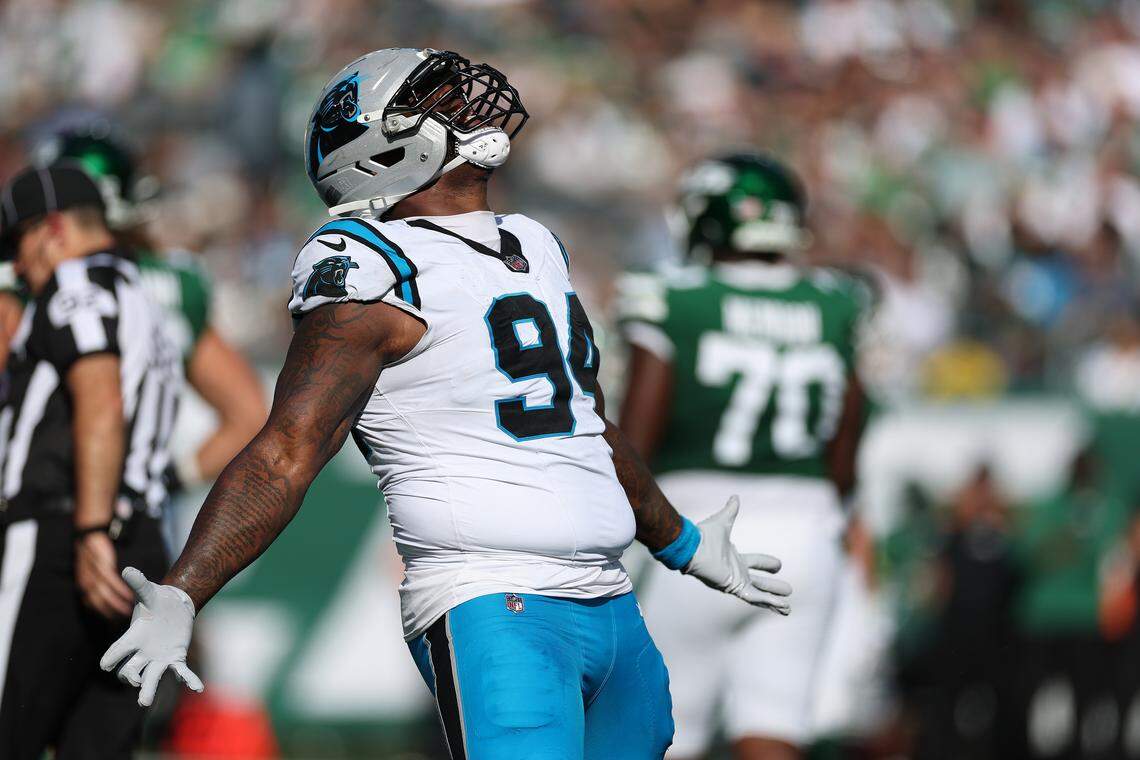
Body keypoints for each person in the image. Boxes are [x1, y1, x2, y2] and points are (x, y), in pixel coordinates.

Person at [99, 48, 793, 759]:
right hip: (495, 603)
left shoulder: (532, 242)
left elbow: (583, 423)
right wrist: (186, 588)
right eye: (438, 103)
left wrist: (678, 541)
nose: (469, 110)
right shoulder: (368, 260)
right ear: (378, 151)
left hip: (614, 605)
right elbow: (289, 448)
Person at [617, 154, 868, 760]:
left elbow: (634, 440)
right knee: (775, 721)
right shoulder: (837, 301)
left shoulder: (675, 298)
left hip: (697, 527)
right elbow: (844, 453)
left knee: (669, 730)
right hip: (809, 530)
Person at [0, 164, 182, 757]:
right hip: (140, 543)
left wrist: (90, 529)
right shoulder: (145, 295)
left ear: (53, 229)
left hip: (66, 537)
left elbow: (100, 398)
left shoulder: (75, 283)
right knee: (98, 745)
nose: (19, 267)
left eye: (19, 244)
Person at [32, 128, 267, 490]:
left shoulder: (31, 282)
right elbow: (248, 414)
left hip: (42, 504)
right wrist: (168, 478)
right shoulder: (175, 281)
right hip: (141, 520)